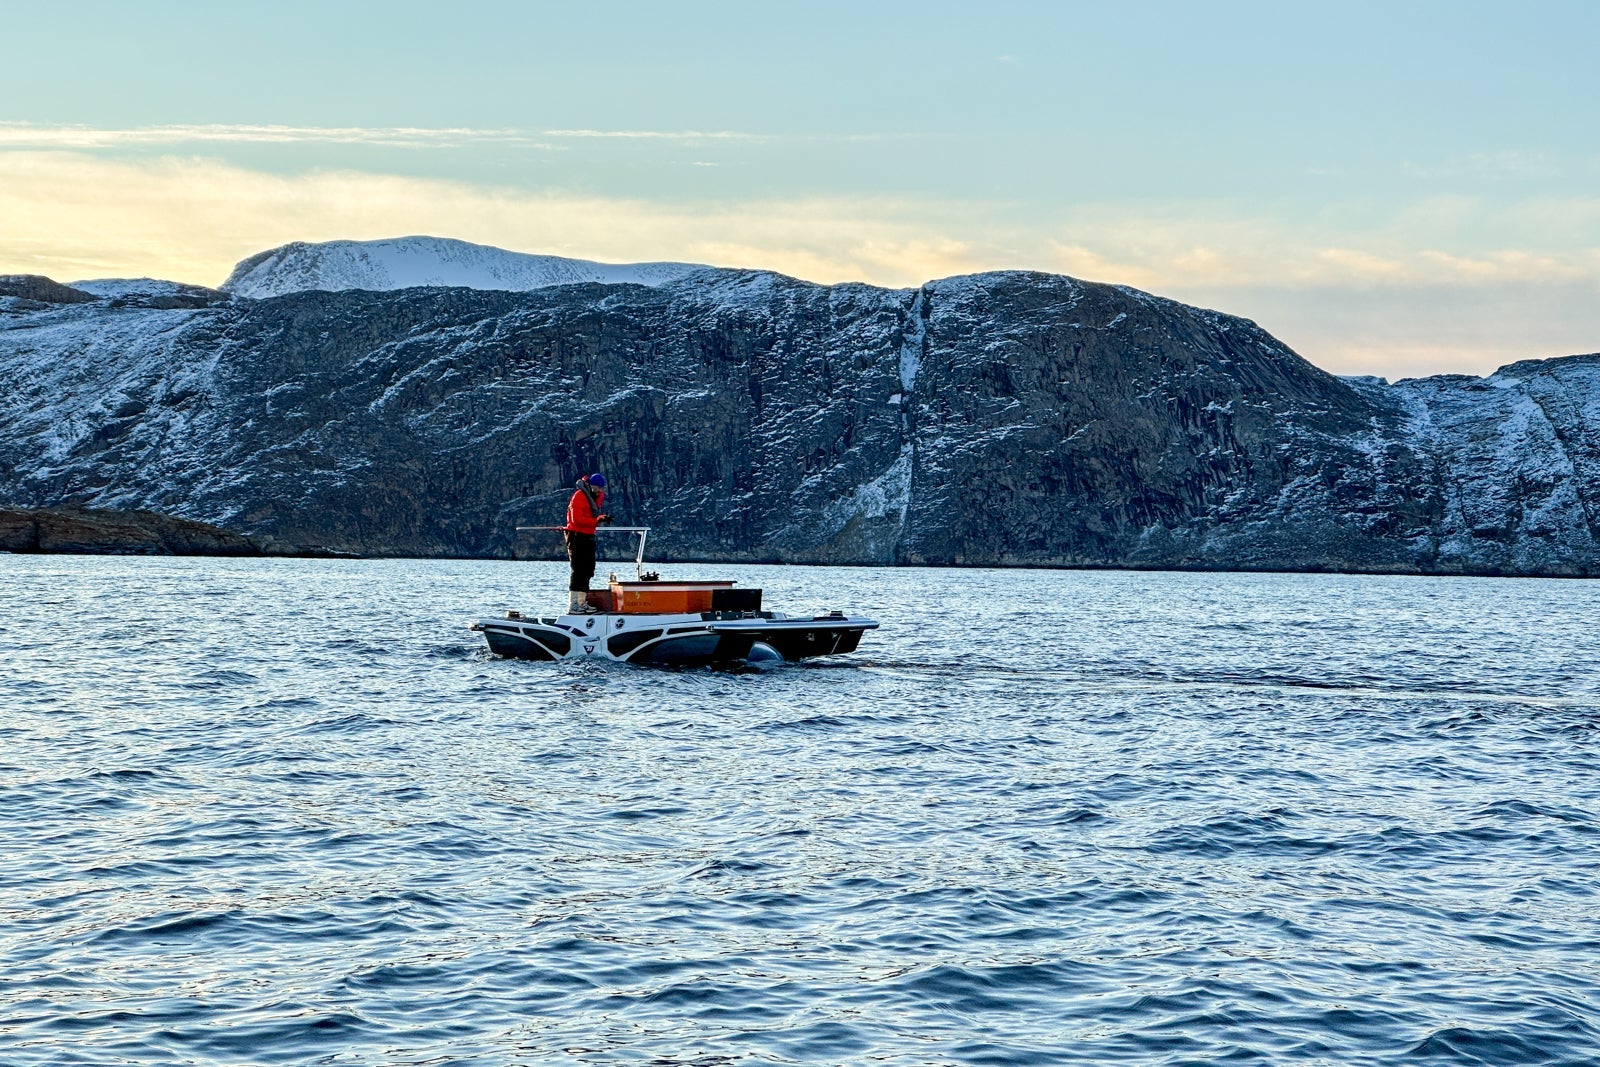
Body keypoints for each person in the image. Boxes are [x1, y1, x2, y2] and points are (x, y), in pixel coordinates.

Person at [564, 473, 611, 613]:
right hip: (576, 536)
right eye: (598, 488)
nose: (600, 491)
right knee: (578, 570)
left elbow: (591, 516)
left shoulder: (596, 497)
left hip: (588, 536)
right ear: (591, 485)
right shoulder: (578, 497)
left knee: (588, 569)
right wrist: (597, 521)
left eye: (601, 488)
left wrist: (601, 519)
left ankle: (582, 601)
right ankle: (574, 604)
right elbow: (577, 520)